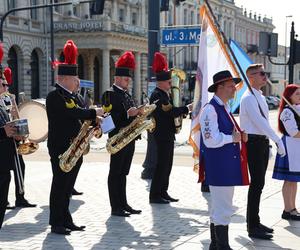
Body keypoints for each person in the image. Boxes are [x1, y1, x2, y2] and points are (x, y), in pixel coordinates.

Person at [46, 40, 103, 235]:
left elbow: (83, 112)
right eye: (74, 77)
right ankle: (56, 222)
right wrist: (94, 113)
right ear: (63, 78)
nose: (77, 80)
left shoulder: (74, 96)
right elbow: (75, 113)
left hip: (75, 146)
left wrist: (95, 120)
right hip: (61, 147)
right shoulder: (55, 96)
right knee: (60, 185)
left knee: (68, 187)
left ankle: (66, 218)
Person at [199, 70, 249, 250]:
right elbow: (210, 140)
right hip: (220, 166)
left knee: (218, 208)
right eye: (230, 86)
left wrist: (238, 136)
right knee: (224, 208)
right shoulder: (211, 109)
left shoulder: (224, 107)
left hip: (225, 164)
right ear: (219, 88)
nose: (234, 90)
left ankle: (216, 245)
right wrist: (232, 138)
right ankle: (223, 246)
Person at [240, 64, 286, 240]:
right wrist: (277, 140)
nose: (264, 76)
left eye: (265, 73)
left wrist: (269, 141)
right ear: (251, 77)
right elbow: (260, 122)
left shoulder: (258, 95)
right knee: (256, 184)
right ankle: (252, 226)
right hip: (253, 142)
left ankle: (255, 221)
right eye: (261, 74)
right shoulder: (248, 98)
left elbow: (263, 122)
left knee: (259, 184)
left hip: (260, 142)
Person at [102, 51, 142, 217]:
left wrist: (139, 114)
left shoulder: (126, 94)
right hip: (118, 139)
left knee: (123, 173)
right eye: (126, 79)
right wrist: (128, 114)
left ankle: (123, 203)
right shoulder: (109, 94)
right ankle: (115, 206)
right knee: (115, 172)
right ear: (117, 78)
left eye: (129, 79)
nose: (128, 82)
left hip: (129, 139)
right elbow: (108, 120)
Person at [149, 52, 192, 204]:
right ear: (161, 82)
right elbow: (170, 111)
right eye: (168, 82)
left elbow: (172, 111)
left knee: (167, 164)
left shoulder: (164, 94)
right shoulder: (157, 95)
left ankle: (163, 191)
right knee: (161, 165)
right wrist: (186, 109)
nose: (171, 85)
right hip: (161, 134)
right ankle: (155, 195)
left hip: (167, 133)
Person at [2, 67, 36, 209]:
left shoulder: (9, 98)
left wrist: (15, 109)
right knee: (4, 173)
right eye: (3, 84)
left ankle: (20, 196)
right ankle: (4, 199)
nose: (6, 87)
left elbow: (16, 117)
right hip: (3, 139)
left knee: (20, 167)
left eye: (6, 84)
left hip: (12, 140)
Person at [272, 84, 300, 221]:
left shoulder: (297, 109)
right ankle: (287, 210)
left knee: (294, 181)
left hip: (297, 148)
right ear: (289, 96)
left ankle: (293, 208)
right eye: (297, 94)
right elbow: (294, 132)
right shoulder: (287, 112)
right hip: (290, 148)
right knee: (289, 180)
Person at [0, 58, 18, 228]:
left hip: (4, 164)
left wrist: (15, 133)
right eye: (3, 84)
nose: (6, 88)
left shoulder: (2, 106)